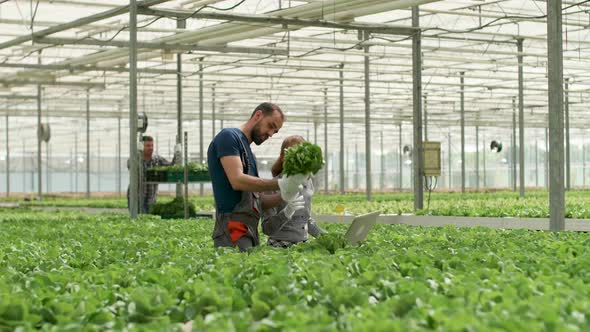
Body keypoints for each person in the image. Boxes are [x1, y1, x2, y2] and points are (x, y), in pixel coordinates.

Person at [207, 102, 308, 251]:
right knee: (235, 270)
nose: (271, 134)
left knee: (247, 271)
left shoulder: (250, 155)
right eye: (270, 125)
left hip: (249, 229)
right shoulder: (229, 137)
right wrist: (279, 183)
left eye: (275, 131)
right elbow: (237, 180)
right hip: (233, 226)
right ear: (258, 115)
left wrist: (285, 196)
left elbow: (257, 202)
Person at [262, 135, 326, 248]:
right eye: (293, 154)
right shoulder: (272, 186)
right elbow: (267, 229)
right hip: (279, 246)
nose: (298, 160)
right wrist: (286, 213)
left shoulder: (308, 183)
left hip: (303, 246)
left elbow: (305, 220)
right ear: (283, 157)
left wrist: (327, 237)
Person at [127, 135, 181, 214]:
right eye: (148, 146)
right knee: (137, 220)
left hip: (151, 198)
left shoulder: (157, 160)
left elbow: (171, 167)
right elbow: (131, 166)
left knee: (148, 221)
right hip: (136, 198)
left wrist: (177, 153)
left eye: (152, 145)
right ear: (142, 147)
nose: (151, 148)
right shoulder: (134, 159)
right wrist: (138, 153)